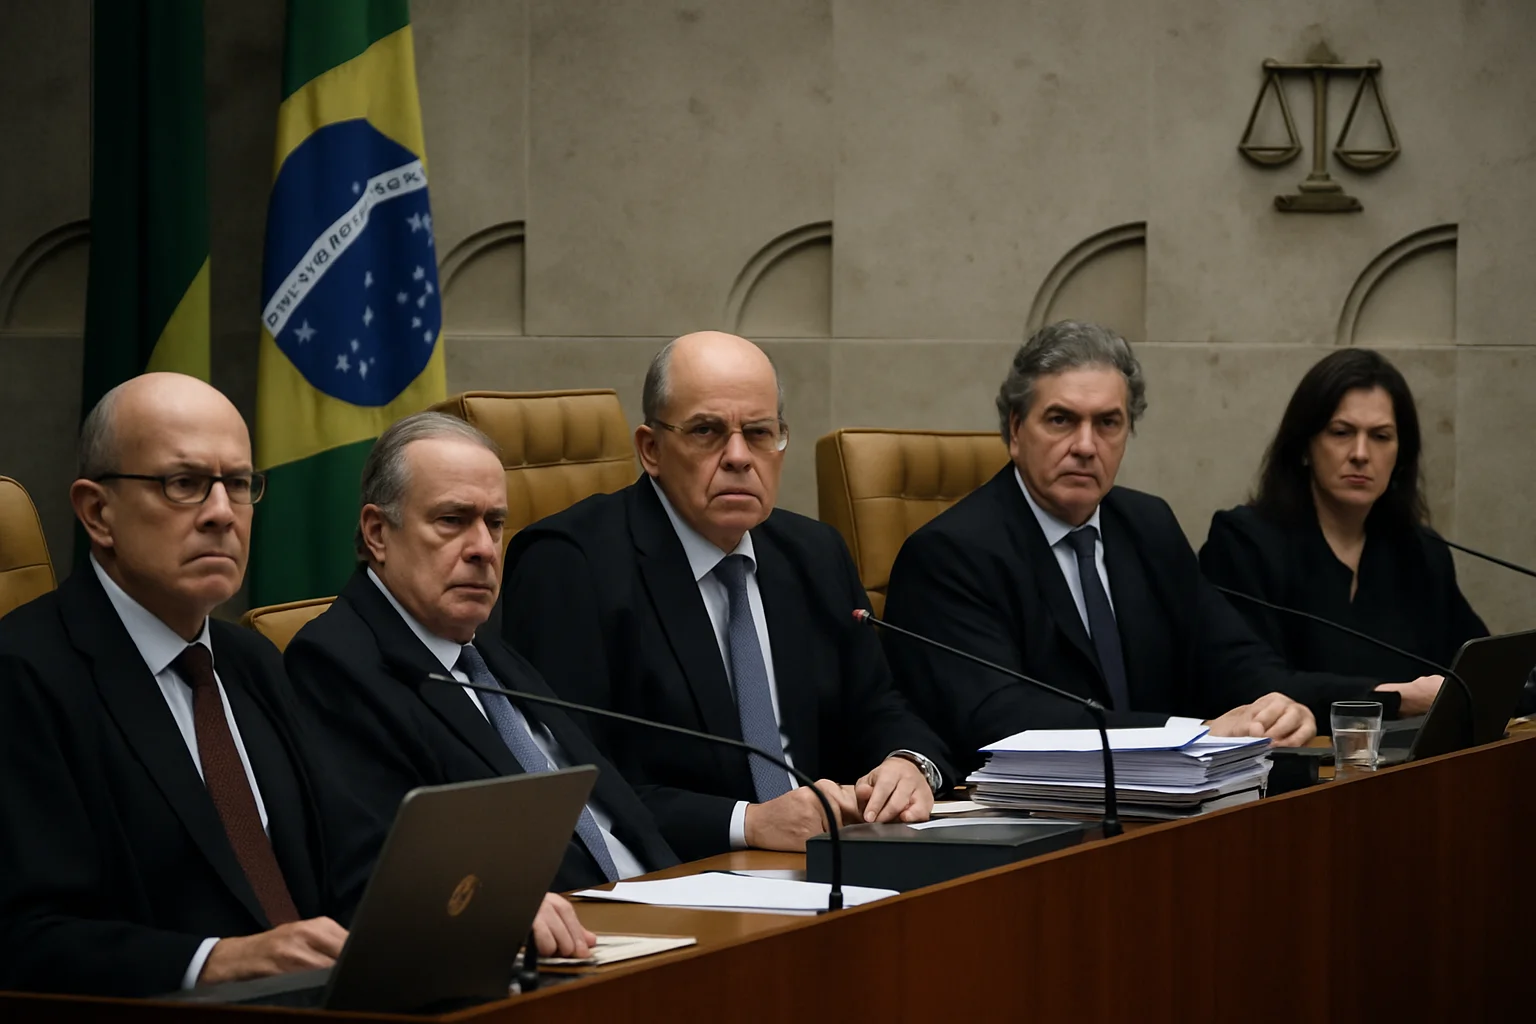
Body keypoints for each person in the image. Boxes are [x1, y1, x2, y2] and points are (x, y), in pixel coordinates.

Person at [882, 322, 1427, 773]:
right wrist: (1191, 734)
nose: (1086, 446)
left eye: (1108, 423)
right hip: (1030, 822)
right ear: (1015, 430)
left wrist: (1314, 706)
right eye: (1061, 420)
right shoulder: (950, 553)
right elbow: (1003, 717)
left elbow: (1239, 667)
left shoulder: (1146, 526)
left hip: (1162, 814)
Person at [501, 331, 954, 860]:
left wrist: (908, 763)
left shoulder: (813, 553)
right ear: (651, 449)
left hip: (827, 860)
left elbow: (878, 705)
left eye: (759, 433)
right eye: (706, 431)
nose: (739, 457)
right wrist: (748, 823)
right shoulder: (569, 564)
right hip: (677, 873)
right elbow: (573, 782)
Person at [284, 412, 676, 959]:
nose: (484, 549)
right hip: (554, 954)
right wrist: (499, 904)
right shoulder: (336, 664)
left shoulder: (486, 647)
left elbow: (618, 813)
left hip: (659, 913)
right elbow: (373, 877)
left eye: (493, 523)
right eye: (452, 520)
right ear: (377, 533)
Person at [0, 373, 344, 996]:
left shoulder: (251, 660)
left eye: (237, 484)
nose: (221, 514)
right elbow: (26, 937)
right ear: (97, 512)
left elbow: (326, 864)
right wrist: (215, 962)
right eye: (183, 484)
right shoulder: (24, 675)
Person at [1200, 349, 1485, 715]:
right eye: (1341, 432)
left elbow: (1482, 671)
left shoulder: (1422, 552)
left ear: (1401, 456)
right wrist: (1393, 698)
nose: (1361, 453)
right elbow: (1250, 684)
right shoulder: (1244, 542)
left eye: (1380, 436)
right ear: (1304, 446)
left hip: (1409, 753)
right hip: (1295, 751)